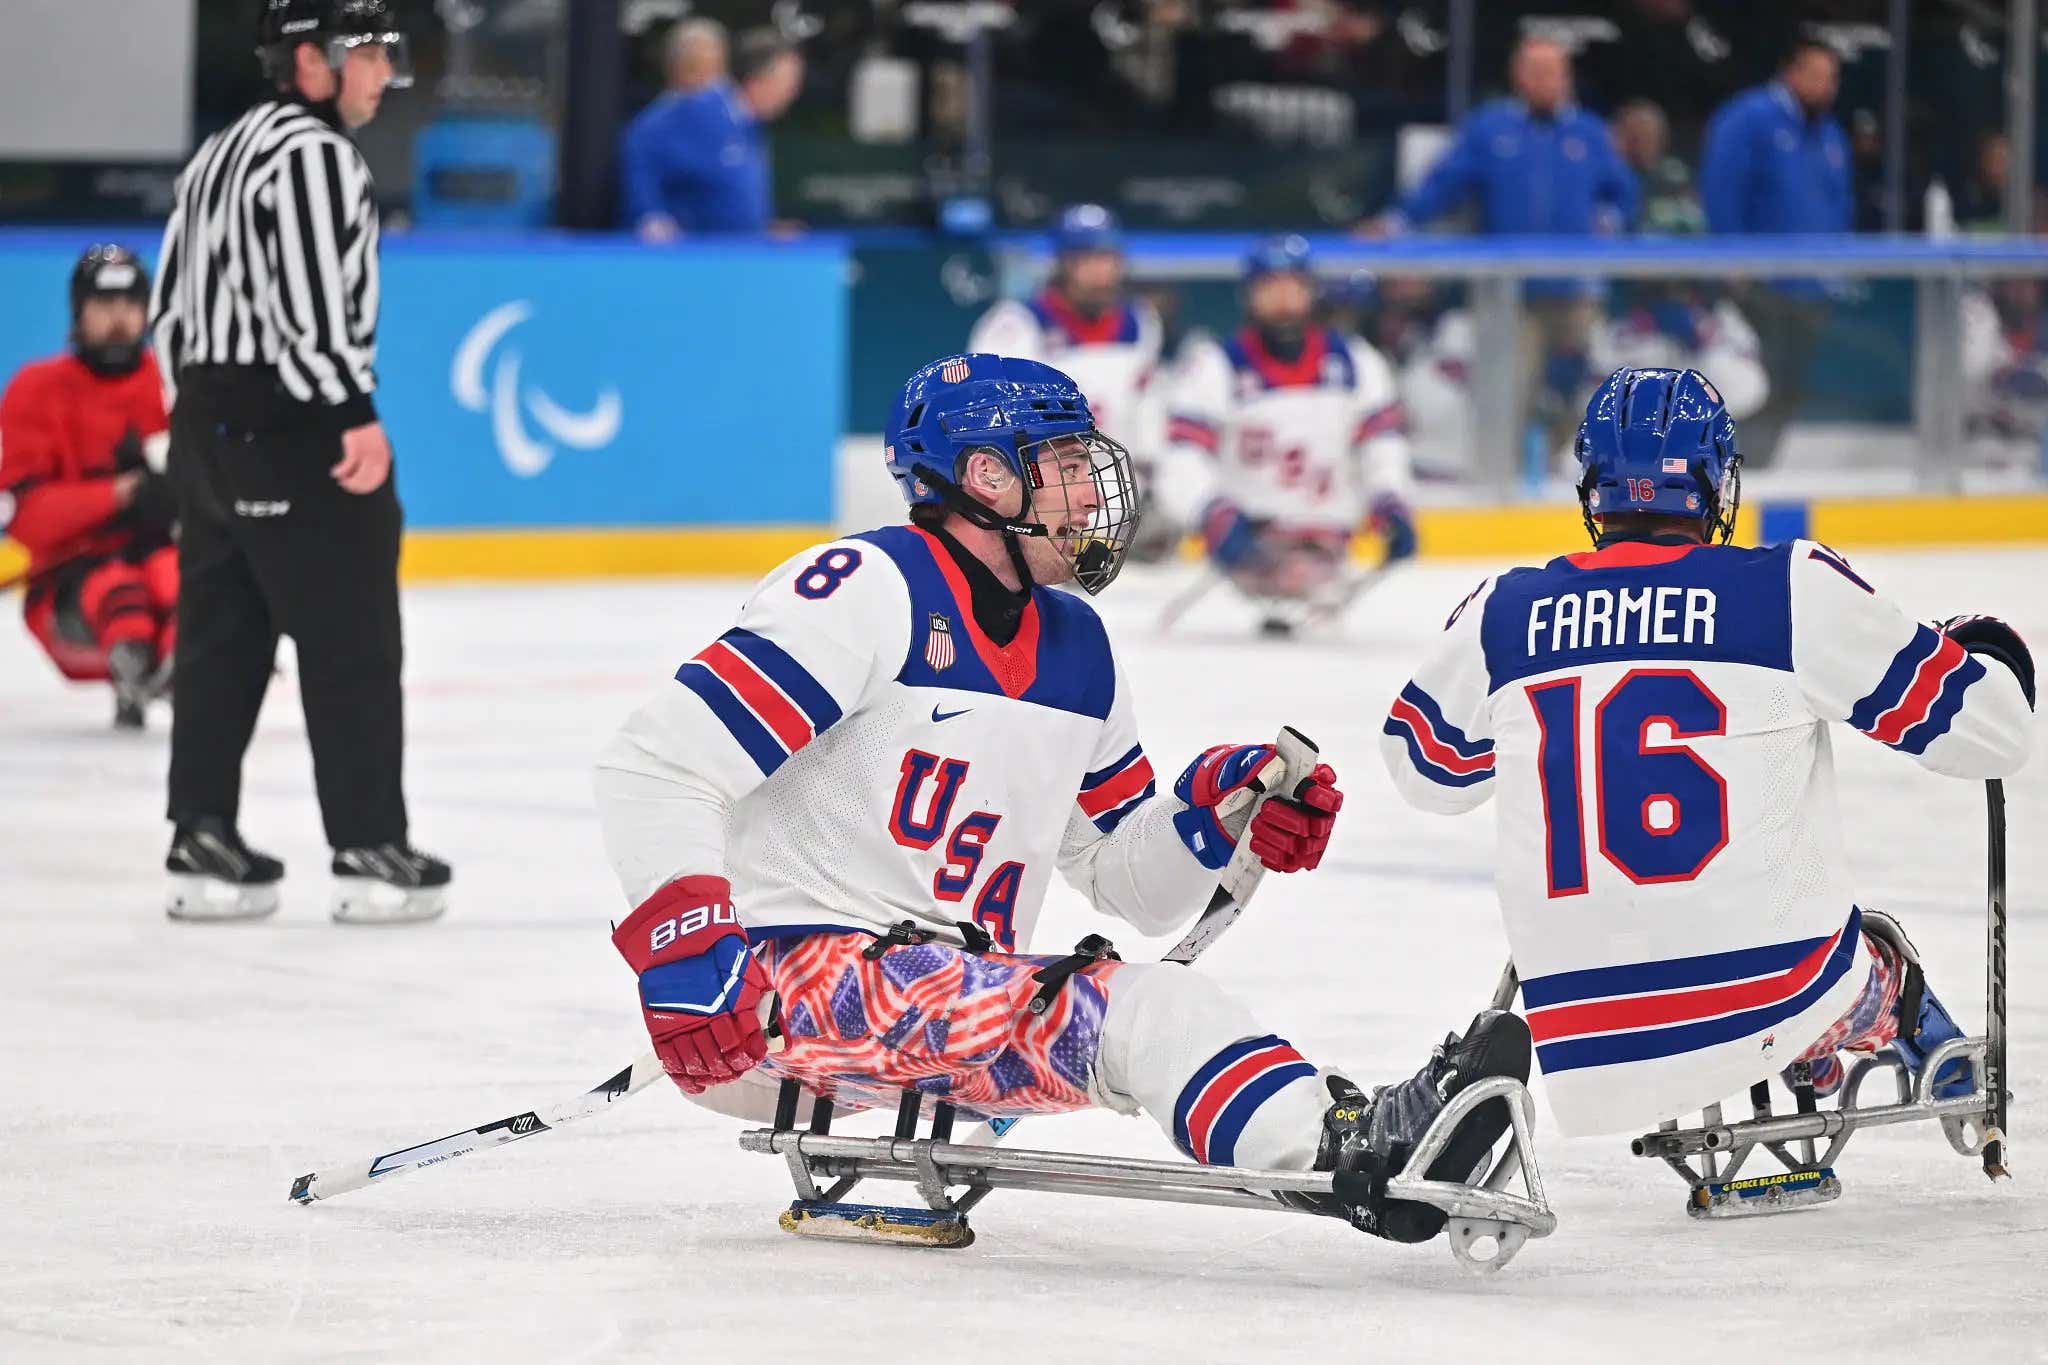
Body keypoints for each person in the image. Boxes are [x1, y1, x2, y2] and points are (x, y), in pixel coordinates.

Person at [593, 352, 1530, 1245]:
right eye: (1068, 464)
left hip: (946, 995)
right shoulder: (864, 588)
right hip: (786, 986)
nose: (1092, 492)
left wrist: (1216, 818)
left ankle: (1343, 1140)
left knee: (1146, 1003)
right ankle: (1355, 1153)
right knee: (1151, 1013)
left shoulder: (1077, 644)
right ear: (988, 479)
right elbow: (656, 764)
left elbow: (1130, 883)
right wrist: (690, 950)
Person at [1379, 367, 2033, 1139]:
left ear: (1592, 487)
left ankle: (1800, 1052)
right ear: (1716, 480)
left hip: (1588, 1053)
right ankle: (1888, 1033)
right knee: (1874, 944)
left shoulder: (1502, 611)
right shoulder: (1788, 589)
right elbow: (1995, 735)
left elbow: (1426, 772)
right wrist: (1987, 656)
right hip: (1785, 999)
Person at [150, 0, 448, 924]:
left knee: (219, 638)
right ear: (311, 60)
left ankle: (201, 836)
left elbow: (171, 300)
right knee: (351, 638)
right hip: (293, 425)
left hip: (206, 424)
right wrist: (351, 414)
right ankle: (367, 850)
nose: (381, 74)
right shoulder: (316, 156)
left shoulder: (221, 149)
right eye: (366, 54)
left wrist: (195, 420)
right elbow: (310, 312)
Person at [1367, 36, 1639, 450]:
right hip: (1508, 295)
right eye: (1535, 70)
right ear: (1518, 76)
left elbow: (1622, 192)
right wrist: (1395, 220)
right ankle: (1505, 485)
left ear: (1566, 78)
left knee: (1586, 396)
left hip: (1574, 291)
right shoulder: (1491, 128)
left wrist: (1611, 219)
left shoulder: (1590, 133)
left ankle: (1565, 477)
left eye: (1553, 71)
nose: (1544, 80)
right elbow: (1444, 185)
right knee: (1508, 392)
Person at [1162, 236, 1416, 632]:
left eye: (1293, 286)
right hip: (1248, 543)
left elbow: (1382, 446)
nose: (1283, 299)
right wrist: (1210, 512)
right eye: (1270, 288)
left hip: (1331, 547)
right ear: (1250, 295)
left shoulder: (1356, 363)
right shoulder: (1217, 366)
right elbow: (1182, 456)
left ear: (1311, 292)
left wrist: (1391, 501)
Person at [0, 245, 177, 730]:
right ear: (79, 313)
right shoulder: (35, 390)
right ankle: (135, 664)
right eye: (104, 306)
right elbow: (25, 519)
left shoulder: (176, 383)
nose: (119, 319)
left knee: (189, 584)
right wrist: (121, 494)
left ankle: (191, 670)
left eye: (129, 306)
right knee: (122, 596)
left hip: (165, 560)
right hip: (71, 588)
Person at [967, 205, 1170, 558]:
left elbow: (1147, 409)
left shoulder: (1140, 323)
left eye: (1106, 258)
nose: (1098, 271)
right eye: (1085, 259)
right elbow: (988, 421)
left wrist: (1149, 487)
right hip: (1038, 500)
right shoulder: (1015, 326)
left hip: (1114, 503)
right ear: (1063, 263)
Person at [1699, 40, 1852, 468]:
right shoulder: (1748, 118)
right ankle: (1726, 470)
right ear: (1791, 72)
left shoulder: (1828, 133)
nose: (1825, 86)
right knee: (1750, 384)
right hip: (1757, 287)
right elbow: (1721, 191)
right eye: (1816, 75)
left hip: (1811, 288)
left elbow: (1838, 204)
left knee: (1789, 386)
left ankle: (1756, 468)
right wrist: (1732, 260)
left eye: (1831, 78)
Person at [620, 27, 805, 241]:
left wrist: (763, 230)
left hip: (742, 258)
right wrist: (649, 215)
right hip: (697, 262)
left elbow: (729, 196)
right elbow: (642, 139)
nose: (791, 94)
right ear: (759, 79)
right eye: (787, 84)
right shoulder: (701, 108)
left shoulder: (749, 125)